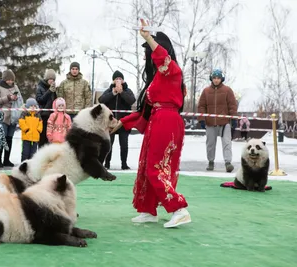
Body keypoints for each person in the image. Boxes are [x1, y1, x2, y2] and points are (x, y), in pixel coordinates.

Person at [111, 19, 191, 228]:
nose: (148, 55)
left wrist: (148, 37)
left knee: (156, 168)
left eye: (150, 49)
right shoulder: (156, 80)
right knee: (147, 167)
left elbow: (163, 58)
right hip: (157, 120)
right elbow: (143, 112)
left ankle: (178, 209)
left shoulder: (171, 70)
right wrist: (121, 123)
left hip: (167, 120)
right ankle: (149, 209)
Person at [197, 69, 238, 172]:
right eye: (214, 78)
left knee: (227, 143)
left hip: (224, 123)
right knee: (210, 144)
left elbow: (232, 105)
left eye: (218, 78)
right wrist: (202, 119)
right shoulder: (206, 91)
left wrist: (233, 118)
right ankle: (211, 162)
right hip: (210, 123)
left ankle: (228, 163)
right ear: (211, 78)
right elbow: (201, 106)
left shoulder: (227, 90)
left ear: (221, 79)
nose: (216, 80)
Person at [98, 70, 135, 170]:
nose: (118, 80)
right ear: (113, 81)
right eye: (116, 79)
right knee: (109, 143)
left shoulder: (127, 90)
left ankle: (124, 163)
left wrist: (122, 92)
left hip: (124, 122)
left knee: (124, 144)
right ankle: (107, 164)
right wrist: (113, 93)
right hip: (111, 123)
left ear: (123, 80)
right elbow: (101, 100)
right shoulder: (109, 90)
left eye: (120, 79)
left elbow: (132, 100)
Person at [0, 69, 23, 167]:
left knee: (9, 138)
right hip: (2, 116)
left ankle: (6, 159)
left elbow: (20, 99)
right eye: (8, 80)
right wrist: (8, 98)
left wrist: (16, 98)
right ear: (4, 79)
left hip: (13, 116)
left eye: (11, 80)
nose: (10, 82)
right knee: (2, 138)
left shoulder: (15, 87)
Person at [36, 69, 57, 148]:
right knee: (42, 138)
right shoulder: (40, 87)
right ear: (46, 79)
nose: (51, 81)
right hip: (43, 116)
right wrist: (49, 91)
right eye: (50, 79)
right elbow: (40, 100)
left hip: (52, 116)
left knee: (50, 138)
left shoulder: (54, 88)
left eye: (53, 79)